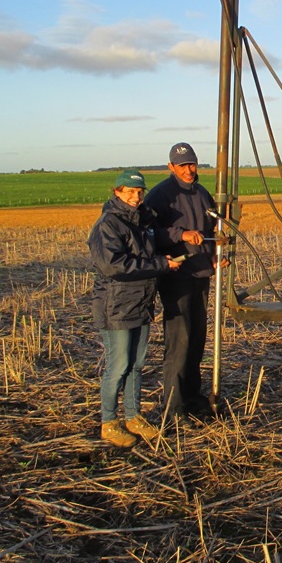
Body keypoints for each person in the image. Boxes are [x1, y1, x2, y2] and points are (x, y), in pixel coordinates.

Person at [88, 169, 181, 448]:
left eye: (139, 192)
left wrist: (163, 258)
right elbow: (114, 266)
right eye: (129, 192)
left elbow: (145, 255)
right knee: (118, 367)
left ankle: (133, 416)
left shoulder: (143, 221)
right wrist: (161, 265)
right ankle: (108, 422)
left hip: (140, 303)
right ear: (116, 192)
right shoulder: (108, 224)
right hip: (115, 305)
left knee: (137, 365)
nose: (135, 197)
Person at [144, 142, 218, 420]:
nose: (189, 170)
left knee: (197, 339)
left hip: (201, 275)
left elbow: (212, 230)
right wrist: (180, 235)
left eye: (192, 164)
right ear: (171, 167)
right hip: (177, 277)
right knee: (180, 341)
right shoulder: (161, 195)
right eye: (183, 165)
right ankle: (173, 409)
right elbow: (149, 232)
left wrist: (213, 258)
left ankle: (192, 396)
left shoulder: (202, 193)